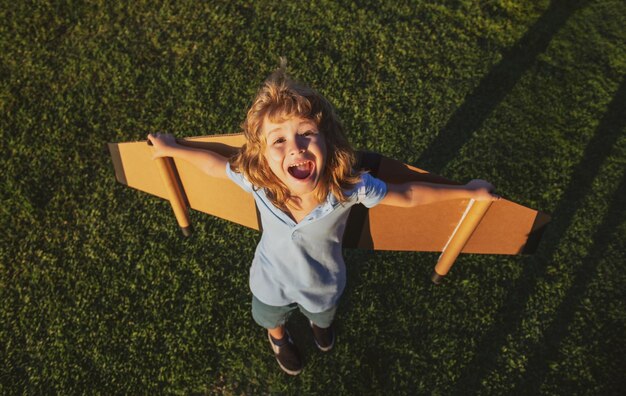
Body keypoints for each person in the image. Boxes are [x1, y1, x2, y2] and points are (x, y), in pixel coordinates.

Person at [147, 61, 499, 376]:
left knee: (323, 316)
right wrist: (171, 149)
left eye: (306, 133)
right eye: (279, 140)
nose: (296, 147)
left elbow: (406, 194)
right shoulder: (258, 181)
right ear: (263, 156)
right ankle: (279, 340)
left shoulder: (349, 187)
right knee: (270, 319)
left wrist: (467, 191)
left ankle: (319, 328)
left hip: (323, 284)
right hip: (270, 280)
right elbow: (214, 165)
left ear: (327, 141)